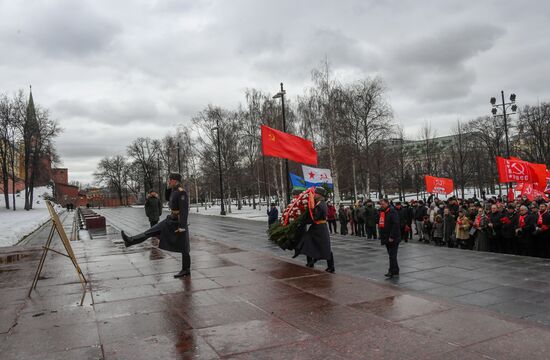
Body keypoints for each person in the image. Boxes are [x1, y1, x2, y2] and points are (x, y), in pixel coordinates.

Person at [121, 173, 191, 278]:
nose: (169, 181)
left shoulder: (181, 193)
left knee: (184, 247)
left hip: (178, 222)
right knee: (151, 231)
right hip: (170, 220)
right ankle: (130, 240)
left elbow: (184, 210)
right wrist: (168, 188)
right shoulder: (174, 191)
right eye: (169, 179)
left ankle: (186, 269)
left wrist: (182, 226)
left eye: (171, 179)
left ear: (176, 180)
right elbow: (168, 199)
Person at [294, 187, 335, 273]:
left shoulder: (321, 204)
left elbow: (315, 217)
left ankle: (330, 266)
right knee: (308, 242)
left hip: (320, 228)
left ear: (320, 195)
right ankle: (311, 262)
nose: (314, 194)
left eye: (316, 193)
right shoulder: (319, 203)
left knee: (325, 247)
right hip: (317, 227)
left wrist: (303, 220)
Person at [378, 199, 400, 278]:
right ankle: (396, 270)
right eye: (381, 204)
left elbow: (395, 225)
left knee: (392, 256)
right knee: (391, 255)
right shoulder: (382, 212)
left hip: (393, 238)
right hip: (386, 237)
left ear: (387, 203)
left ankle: (391, 271)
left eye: (383, 204)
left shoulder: (392, 212)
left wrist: (391, 236)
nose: (381, 206)